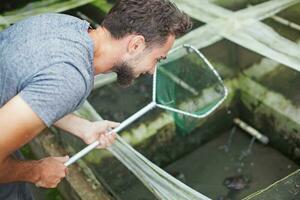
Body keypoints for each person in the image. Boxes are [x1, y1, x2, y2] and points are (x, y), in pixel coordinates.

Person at [0, 0, 192, 199]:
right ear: (136, 45)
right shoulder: (70, 77)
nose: (152, 71)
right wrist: (36, 171)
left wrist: (83, 127)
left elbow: (33, 91)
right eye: (157, 59)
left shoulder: (66, 25)